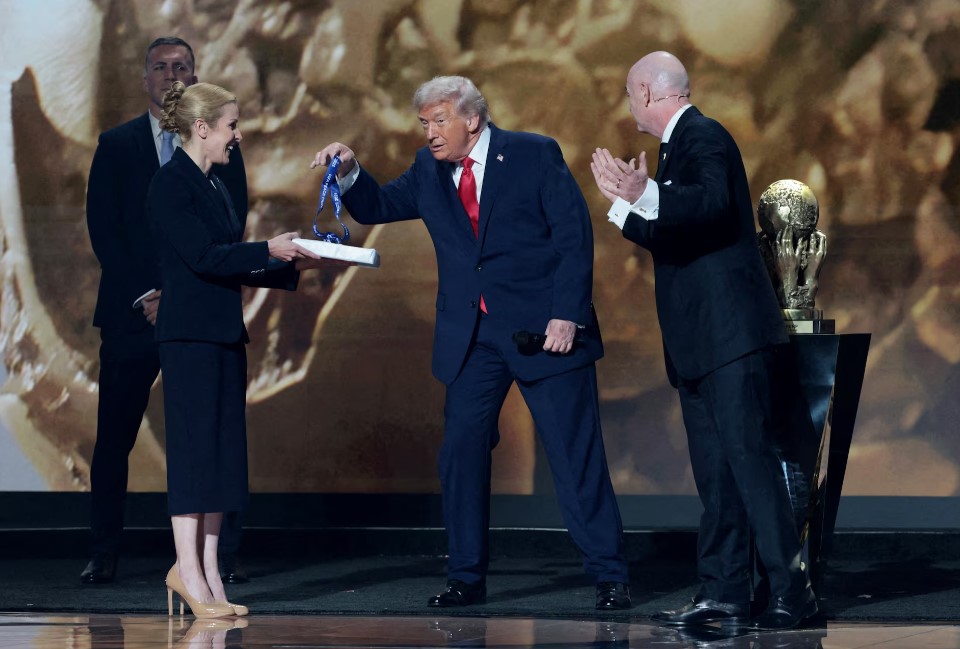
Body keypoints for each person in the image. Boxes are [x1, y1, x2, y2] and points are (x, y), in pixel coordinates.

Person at [310, 75, 631, 610]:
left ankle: (609, 574)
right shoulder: (426, 170)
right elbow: (376, 208)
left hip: (543, 332)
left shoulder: (532, 154)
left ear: (472, 119)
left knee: (574, 455)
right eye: (424, 123)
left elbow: (574, 235)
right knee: (460, 454)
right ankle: (466, 576)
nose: (431, 133)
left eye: (439, 121)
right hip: (472, 338)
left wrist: (566, 315)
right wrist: (351, 171)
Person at [589, 51, 817, 631]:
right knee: (716, 476)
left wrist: (648, 194)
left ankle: (792, 592)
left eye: (626, 92)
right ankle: (724, 594)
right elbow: (678, 234)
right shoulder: (674, 149)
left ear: (645, 91)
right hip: (700, 343)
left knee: (751, 467)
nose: (626, 103)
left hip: (731, 338)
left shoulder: (705, 135)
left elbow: (712, 206)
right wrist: (626, 206)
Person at [148, 79, 322, 617]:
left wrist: (289, 266)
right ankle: (187, 572)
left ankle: (212, 578)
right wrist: (267, 248)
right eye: (231, 126)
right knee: (194, 457)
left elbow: (229, 261)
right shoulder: (170, 184)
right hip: (188, 338)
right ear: (201, 129)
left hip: (223, 332)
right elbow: (203, 257)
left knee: (222, 459)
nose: (237, 136)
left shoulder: (217, 185)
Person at [83, 36, 248, 585]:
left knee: (211, 434)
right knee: (116, 436)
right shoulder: (117, 144)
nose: (171, 75)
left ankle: (217, 561)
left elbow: (231, 223)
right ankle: (104, 550)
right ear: (144, 76)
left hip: (198, 314)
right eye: (161, 67)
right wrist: (151, 294)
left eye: (182, 67)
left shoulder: (223, 147)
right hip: (135, 314)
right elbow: (106, 232)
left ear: (196, 75)